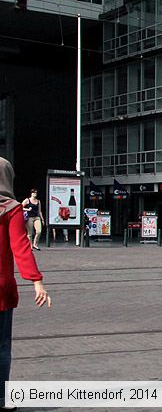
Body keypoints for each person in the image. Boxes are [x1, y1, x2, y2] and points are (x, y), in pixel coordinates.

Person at [0, 158, 51, 411]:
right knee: (1, 347)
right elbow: (21, 247)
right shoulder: (11, 209)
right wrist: (37, 281)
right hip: (1, 290)